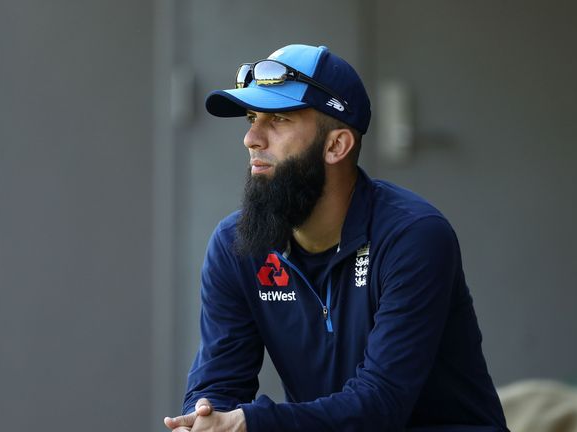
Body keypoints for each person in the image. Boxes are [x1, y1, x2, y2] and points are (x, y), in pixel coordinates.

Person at [163, 44, 508, 432]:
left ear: (335, 146)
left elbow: (380, 405)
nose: (252, 139)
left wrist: (251, 423)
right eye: (251, 118)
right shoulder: (236, 245)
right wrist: (206, 416)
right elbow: (219, 382)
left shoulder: (414, 236)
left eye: (277, 120)